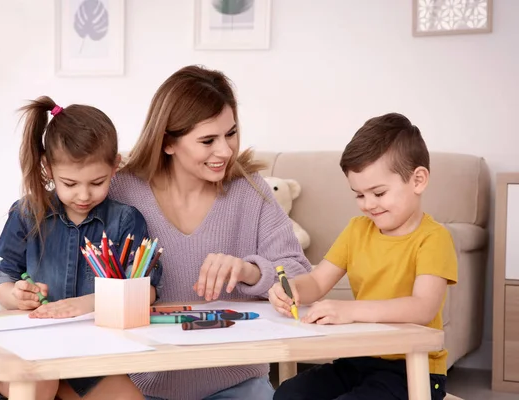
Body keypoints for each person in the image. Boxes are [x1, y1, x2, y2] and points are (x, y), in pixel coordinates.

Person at [106, 65, 313, 400]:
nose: (226, 151)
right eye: (208, 140)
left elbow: (300, 275)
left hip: (237, 386)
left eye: (230, 134)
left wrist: (251, 271)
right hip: (141, 390)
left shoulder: (250, 190)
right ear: (168, 142)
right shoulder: (120, 191)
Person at [0, 96, 161, 400]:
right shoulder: (26, 214)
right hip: (31, 349)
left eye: (97, 182)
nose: (83, 195)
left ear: (115, 167)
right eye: (69, 184)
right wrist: (16, 296)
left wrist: (86, 304)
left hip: (92, 359)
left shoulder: (126, 221)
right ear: (48, 169)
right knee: (38, 385)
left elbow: (146, 293)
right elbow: (4, 281)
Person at [268, 112, 458, 400]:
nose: (367, 205)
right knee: (289, 394)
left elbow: (423, 308)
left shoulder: (433, 238)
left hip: (413, 370)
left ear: (418, 180)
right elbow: (318, 283)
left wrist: (349, 311)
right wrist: (294, 290)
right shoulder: (357, 230)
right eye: (359, 195)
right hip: (360, 357)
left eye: (378, 193)